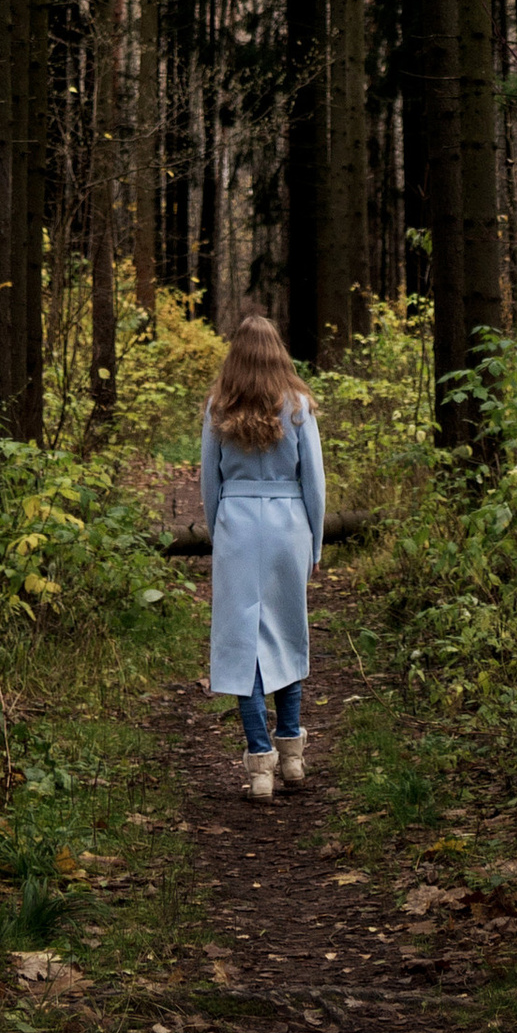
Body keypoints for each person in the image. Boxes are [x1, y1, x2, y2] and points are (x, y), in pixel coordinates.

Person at [200, 305, 326, 803]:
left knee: (242, 644)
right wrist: (315, 541)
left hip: (237, 524)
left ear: (235, 356)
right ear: (278, 354)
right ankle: (292, 755)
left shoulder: (218, 407)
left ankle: (260, 767)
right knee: (287, 632)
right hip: (287, 526)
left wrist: (220, 535)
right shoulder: (298, 405)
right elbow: (313, 482)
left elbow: (210, 481)